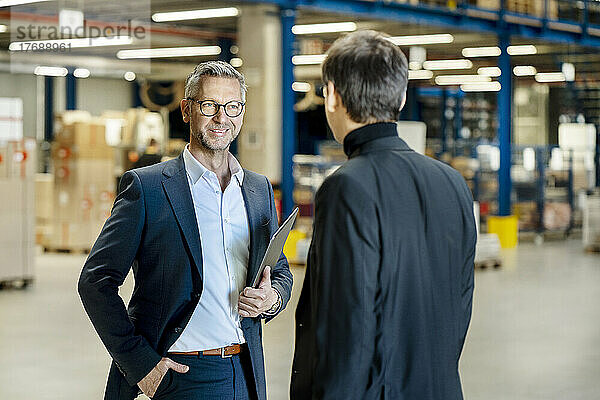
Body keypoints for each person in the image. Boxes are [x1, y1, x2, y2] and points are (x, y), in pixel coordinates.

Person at [79, 61, 293, 400]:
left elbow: (279, 270)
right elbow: (95, 282)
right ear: (187, 109)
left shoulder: (257, 189)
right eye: (209, 105)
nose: (222, 118)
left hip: (246, 371)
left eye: (232, 106)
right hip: (181, 375)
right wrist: (141, 366)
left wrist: (272, 298)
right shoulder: (148, 188)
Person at [290, 30, 477, 400]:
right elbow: (460, 304)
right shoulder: (452, 182)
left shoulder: (347, 187)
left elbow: (347, 326)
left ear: (331, 96)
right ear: (402, 96)